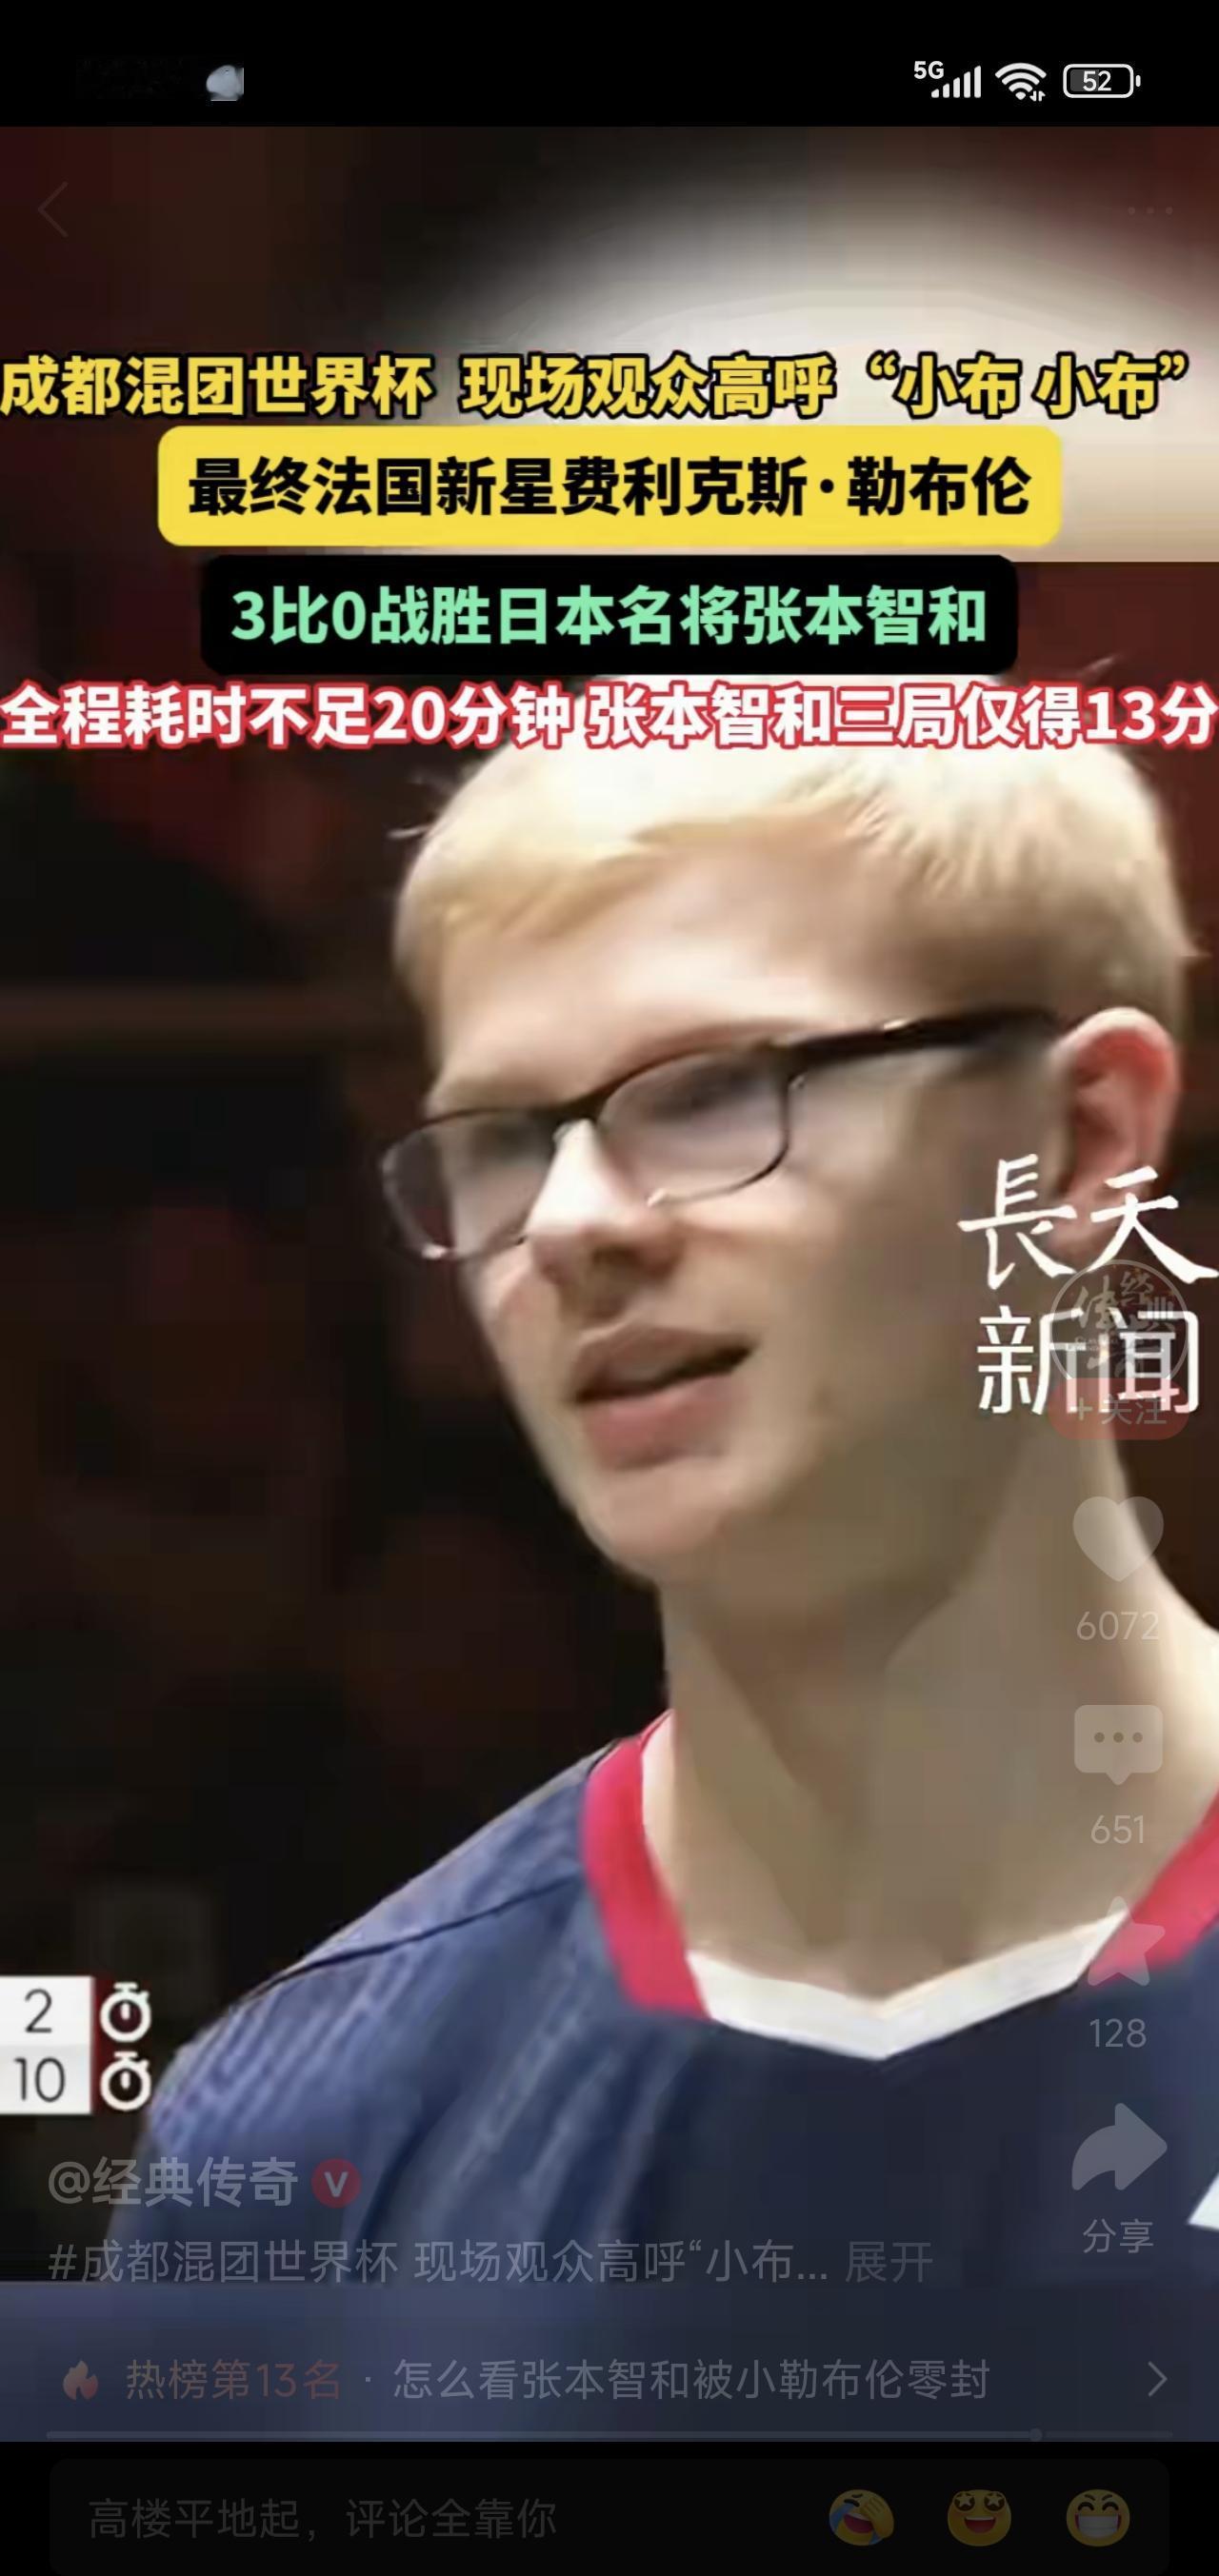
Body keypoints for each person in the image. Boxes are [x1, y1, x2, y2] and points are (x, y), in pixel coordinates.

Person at [119, 682, 1219, 2328]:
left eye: (712, 1090)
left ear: (1081, 1140)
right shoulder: (294, 2130)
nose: (568, 1226)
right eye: (502, 1137)